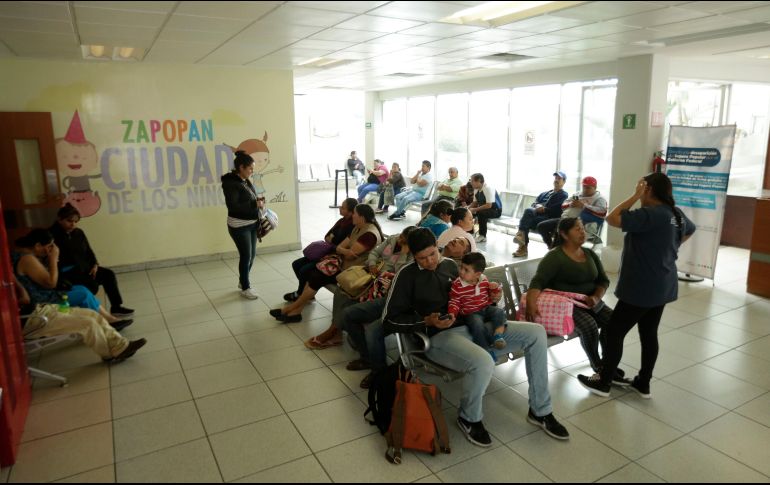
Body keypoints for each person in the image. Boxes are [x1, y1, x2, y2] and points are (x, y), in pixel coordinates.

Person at [383, 228, 569, 445]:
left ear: (438, 247)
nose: (430, 261)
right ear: (413, 256)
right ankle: (469, 418)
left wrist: (492, 298)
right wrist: (426, 322)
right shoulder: (406, 276)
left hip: (475, 326)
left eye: (433, 254)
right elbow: (388, 321)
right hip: (440, 338)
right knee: (482, 360)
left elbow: (473, 300)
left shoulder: (451, 266)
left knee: (536, 333)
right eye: (422, 258)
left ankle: (540, 410)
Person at [578, 173, 695, 399]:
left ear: (648, 190)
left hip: (642, 287)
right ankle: (643, 383)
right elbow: (690, 230)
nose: (640, 193)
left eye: (642, 189)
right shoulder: (675, 214)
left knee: (613, 333)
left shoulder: (650, 214)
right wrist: (667, 248)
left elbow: (612, 218)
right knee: (649, 333)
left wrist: (634, 195)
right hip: (664, 284)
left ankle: (603, 381)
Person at [308, 226, 416, 389]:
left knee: (368, 325)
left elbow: (400, 274)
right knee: (343, 294)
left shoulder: (412, 255)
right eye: (401, 236)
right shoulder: (392, 239)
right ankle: (342, 335)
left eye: (404, 240)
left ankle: (375, 367)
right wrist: (372, 264)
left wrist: (403, 253)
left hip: (388, 287)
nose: (400, 240)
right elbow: (374, 253)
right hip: (372, 276)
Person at [527, 218, 628, 383]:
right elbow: (538, 281)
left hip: (589, 301)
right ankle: (599, 366)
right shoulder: (555, 257)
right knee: (589, 324)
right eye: (577, 229)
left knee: (615, 322)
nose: (583, 232)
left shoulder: (589, 254)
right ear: (564, 234)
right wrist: (531, 304)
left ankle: (608, 364)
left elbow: (603, 280)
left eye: (582, 228)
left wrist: (596, 297)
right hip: (566, 304)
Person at [270, 204, 383, 323]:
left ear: (362, 217)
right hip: (345, 267)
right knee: (315, 274)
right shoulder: (358, 227)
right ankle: (295, 311)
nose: (353, 216)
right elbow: (341, 248)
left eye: (355, 213)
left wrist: (342, 250)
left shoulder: (369, 235)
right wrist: (343, 250)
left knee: (317, 276)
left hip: (355, 274)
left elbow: (349, 253)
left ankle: (290, 309)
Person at [13, 229, 131, 329]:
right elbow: (51, 283)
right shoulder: (28, 259)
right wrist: (53, 260)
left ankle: (109, 319)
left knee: (81, 288)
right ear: (38, 245)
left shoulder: (25, 255)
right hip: (41, 302)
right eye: (49, 247)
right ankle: (108, 321)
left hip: (43, 295)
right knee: (82, 293)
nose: (50, 250)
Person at [15, 275, 146, 363]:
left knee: (91, 314)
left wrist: (21, 290)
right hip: (32, 320)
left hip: (41, 308)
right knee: (87, 324)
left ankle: (120, 345)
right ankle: (109, 354)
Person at [49, 203, 134, 317]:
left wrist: (95, 264)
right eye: (69, 221)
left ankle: (116, 307)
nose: (73, 224)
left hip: (86, 268)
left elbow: (88, 250)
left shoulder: (78, 233)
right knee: (92, 286)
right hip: (67, 273)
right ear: (60, 219)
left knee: (108, 275)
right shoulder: (51, 236)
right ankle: (92, 313)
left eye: (75, 221)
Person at [285, 197, 357, 302]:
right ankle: (306, 293)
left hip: (334, 259)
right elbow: (327, 236)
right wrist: (333, 241)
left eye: (343, 207)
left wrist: (332, 240)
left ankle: (301, 295)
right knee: (296, 264)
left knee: (304, 270)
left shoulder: (352, 226)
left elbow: (338, 246)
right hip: (327, 253)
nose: (340, 208)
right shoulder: (341, 221)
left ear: (351, 212)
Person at [221, 150, 263, 300]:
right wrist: (254, 203)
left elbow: (249, 199)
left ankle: (242, 281)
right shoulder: (230, 183)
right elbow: (233, 207)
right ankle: (246, 287)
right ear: (241, 167)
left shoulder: (245, 180)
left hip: (251, 223)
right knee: (246, 256)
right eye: (250, 168)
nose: (252, 171)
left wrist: (258, 203)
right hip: (239, 226)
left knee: (251, 255)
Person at [448, 252, 506, 358]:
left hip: (485, 308)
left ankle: (498, 335)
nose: (461, 272)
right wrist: (452, 313)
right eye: (461, 267)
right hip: (471, 313)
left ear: (478, 274)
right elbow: (454, 301)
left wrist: (495, 288)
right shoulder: (457, 285)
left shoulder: (483, 279)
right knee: (477, 324)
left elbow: (492, 294)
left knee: (499, 312)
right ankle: (486, 350)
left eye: (466, 270)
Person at [536, 176, 607, 248]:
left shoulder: (599, 198)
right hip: (567, 220)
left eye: (588, 187)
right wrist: (570, 204)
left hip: (584, 224)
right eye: (584, 187)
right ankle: (552, 248)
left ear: (595, 187)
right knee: (542, 226)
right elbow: (563, 205)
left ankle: (558, 250)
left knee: (563, 232)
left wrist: (584, 206)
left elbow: (602, 212)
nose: (585, 189)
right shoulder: (577, 194)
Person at [513, 171, 569, 258]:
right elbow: (534, 203)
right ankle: (523, 244)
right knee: (528, 215)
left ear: (564, 182)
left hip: (549, 218)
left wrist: (544, 209)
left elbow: (557, 210)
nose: (556, 180)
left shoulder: (563, 195)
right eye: (555, 178)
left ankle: (522, 245)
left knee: (526, 219)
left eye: (559, 179)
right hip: (537, 216)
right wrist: (537, 206)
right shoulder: (545, 193)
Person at [468, 173, 502, 244]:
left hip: (495, 210)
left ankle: (482, 236)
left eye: (472, 181)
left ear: (479, 181)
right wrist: (467, 208)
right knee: (467, 212)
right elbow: (475, 203)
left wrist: (474, 209)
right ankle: (469, 232)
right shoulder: (476, 189)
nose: (471, 183)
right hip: (484, 208)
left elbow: (489, 205)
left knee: (481, 213)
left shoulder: (488, 188)